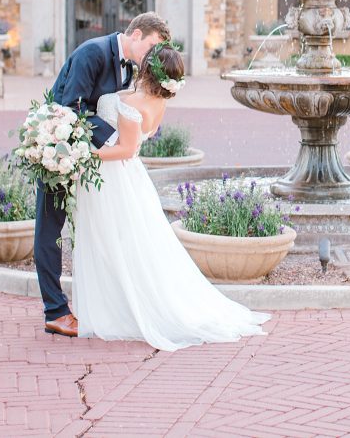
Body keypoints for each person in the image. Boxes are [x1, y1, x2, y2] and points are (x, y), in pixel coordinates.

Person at [72, 43, 270, 350]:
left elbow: (124, 148)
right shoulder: (157, 102)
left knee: (111, 240)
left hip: (113, 177)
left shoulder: (134, 103)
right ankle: (123, 299)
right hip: (131, 177)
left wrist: (84, 155)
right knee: (131, 243)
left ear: (150, 69)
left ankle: (118, 307)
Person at [36, 12, 170, 338]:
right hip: (60, 150)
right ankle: (55, 312)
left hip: (93, 160)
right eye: (151, 46)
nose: (152, 56)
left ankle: (109, 304)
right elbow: (74, 107)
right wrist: (117, 139)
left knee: (104, 231)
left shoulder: (133, 68)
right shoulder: (93, 53)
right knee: (50, 228)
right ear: (136, 34)